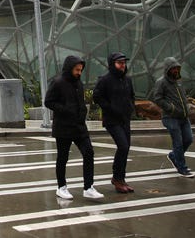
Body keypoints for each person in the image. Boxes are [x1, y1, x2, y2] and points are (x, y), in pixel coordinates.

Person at [44, 55, 104, 200]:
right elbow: (48, 101)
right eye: (77, 69)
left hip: (79, 126)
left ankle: (88, 187)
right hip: (63, 127)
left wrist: (82, 112)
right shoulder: (58, 82)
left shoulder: (78, 83)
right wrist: (65, 109)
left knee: (88, 152)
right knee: (63, 158)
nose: (79, 72)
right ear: (70, 68)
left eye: (81, 70)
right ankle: (61, 187)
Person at [93, 52, 135, 193]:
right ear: (112, 64)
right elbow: (97, 96)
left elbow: (131, 96)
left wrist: (130, 108)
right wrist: (110, 108)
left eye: (124, 62)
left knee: (126, 147)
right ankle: (117, 178)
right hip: (112, 120)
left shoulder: (127, 79)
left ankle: (121, 179)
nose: (122, 65)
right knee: (123, 146)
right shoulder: (105, 80)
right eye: (119, 62)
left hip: (125, 119)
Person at [152, 56, 195, 177]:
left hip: (183, 117)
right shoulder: (161, 82)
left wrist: (187, 103)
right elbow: (157, 98)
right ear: (167, 69)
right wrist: (171, 108)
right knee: (178, 142)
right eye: (173, 68)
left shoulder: (178, 82)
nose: (176, 70)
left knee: (189, 139)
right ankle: (182, 168)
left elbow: (180, 98)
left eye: (177, 68)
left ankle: (173, 156)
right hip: (170, 117)